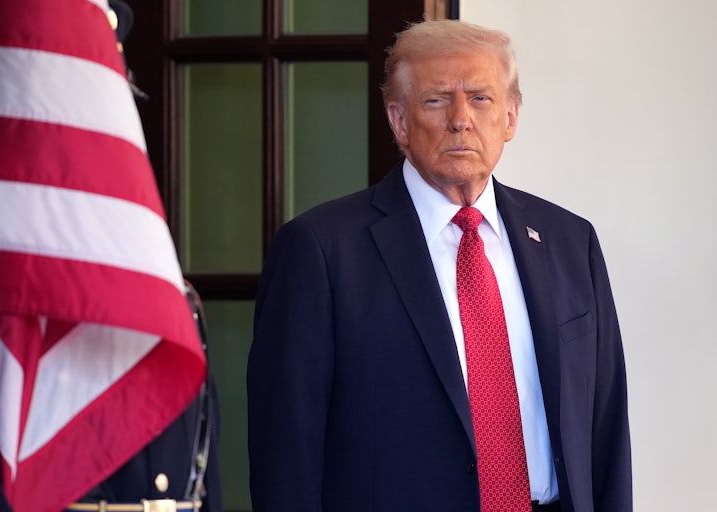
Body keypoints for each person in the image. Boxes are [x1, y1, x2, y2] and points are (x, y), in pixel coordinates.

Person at [247, 19, 632, 512]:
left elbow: (606, 428)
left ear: (511, 118)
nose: (460, 119)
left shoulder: (568, 241)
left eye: (480, 98)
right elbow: (286, 454)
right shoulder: (320, 250)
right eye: (435, 100)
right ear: (399, 121)